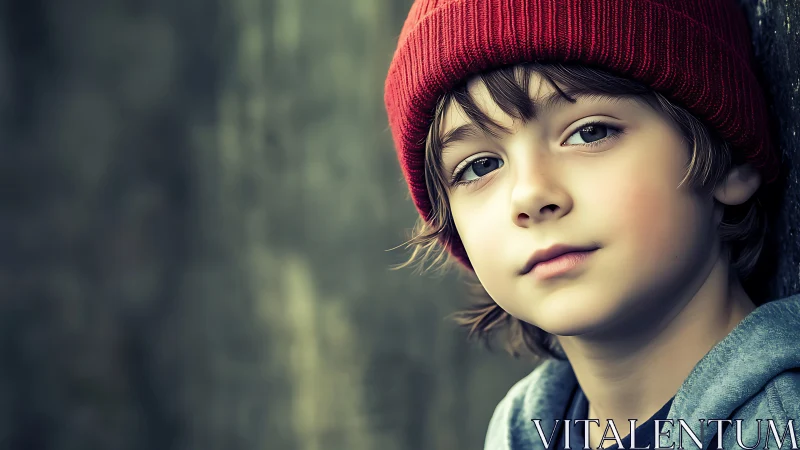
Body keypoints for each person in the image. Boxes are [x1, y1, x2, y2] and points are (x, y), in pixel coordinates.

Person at [383, 0, 800, 449]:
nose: (529, 196)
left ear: (730, 159)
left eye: (590, 132)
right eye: (480, 166)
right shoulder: (517, 431)